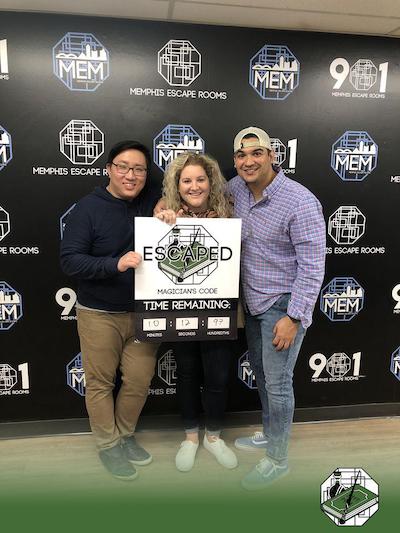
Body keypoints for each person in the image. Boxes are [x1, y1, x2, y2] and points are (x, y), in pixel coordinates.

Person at [229, 127, 326, 490]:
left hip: (283, 305)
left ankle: (278, 459)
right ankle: (270, 435)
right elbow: (200, 199)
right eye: (241, 155)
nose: (248, 161)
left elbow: (313, 266)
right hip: (252, 301)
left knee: (279, 383)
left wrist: (294, 317)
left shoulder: (299, 201)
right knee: (264, 377)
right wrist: (165, 208)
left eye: (257, 153)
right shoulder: (235, 188)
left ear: (273, 156)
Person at [60, 140, 160, 481]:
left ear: (147, 173)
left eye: (139, 169)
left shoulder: (152, 197)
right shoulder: (88, 208)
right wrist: (113, 264)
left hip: (145, 312)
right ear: (108, 169)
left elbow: (192, 182)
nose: (130, 175)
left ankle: (124, 435)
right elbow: (70, 260)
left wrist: (168, 208)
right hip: (99, 313)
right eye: (123, 167)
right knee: (100, 383)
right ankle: (108, 445)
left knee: (138, 379)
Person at [155, 152, 238, 473]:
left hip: (220, 307)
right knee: (187, 374)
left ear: (211, 182)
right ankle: (190, 438)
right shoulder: (166, 213)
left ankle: (213, 438)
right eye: (186, 180)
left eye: (200, 179)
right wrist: (160, 221)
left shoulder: (229, 211)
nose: (194, 186)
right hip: (181, 310)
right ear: (178, 184)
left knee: (217, 376)